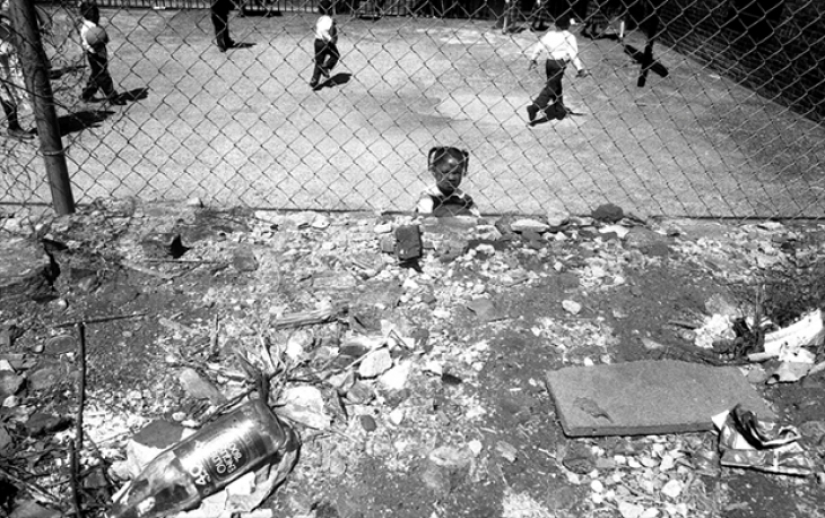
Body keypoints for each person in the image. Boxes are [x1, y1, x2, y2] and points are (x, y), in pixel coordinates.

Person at [526, 16, 589, 123]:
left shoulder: (550, 34)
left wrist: (533, 58)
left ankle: (559, 109)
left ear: (555, 24)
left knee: (556, 85)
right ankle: (534, 107)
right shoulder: (569, 36)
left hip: (549, 63)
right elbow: (573, 54)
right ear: (568, 25)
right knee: (551, 88)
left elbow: (539, 46)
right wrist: (580, 68)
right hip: (559, 64)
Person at [79, 1, 124, 105]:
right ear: (86, 15)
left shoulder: (96, 27)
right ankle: (112, 97)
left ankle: (87, 93)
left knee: (96, 76)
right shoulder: (86, 29)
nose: (97, 16)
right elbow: (85, 44)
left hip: (101, 54)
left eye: (97, 14)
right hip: (95, 55)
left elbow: (105, 39)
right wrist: (95, 46)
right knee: (103, 76)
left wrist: (103, 39)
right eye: (94, 14)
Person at [416, 146, 480, 217]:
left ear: (463, 172)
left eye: (456, 172)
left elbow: (478, 220)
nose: (451, 177)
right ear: (434, 171)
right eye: (445, 172)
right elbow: (425, 222)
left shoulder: (465, 199)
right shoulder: (428, 197)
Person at [0, 5, 33, 139]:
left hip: (10, 62)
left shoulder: (5, 20)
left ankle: (14, 126)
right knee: (6, 93)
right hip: (4, 63)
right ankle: (14, 126)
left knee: (12, 91)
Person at [309, 14, 339, 91]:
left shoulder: (321, 18)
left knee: (319, 61)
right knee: (335, 55)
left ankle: (314, 81)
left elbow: (318, 27)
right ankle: (325, 67)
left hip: (317, 42)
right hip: (325, 42)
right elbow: (324, 31)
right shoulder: (328, 20)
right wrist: (330, 38)